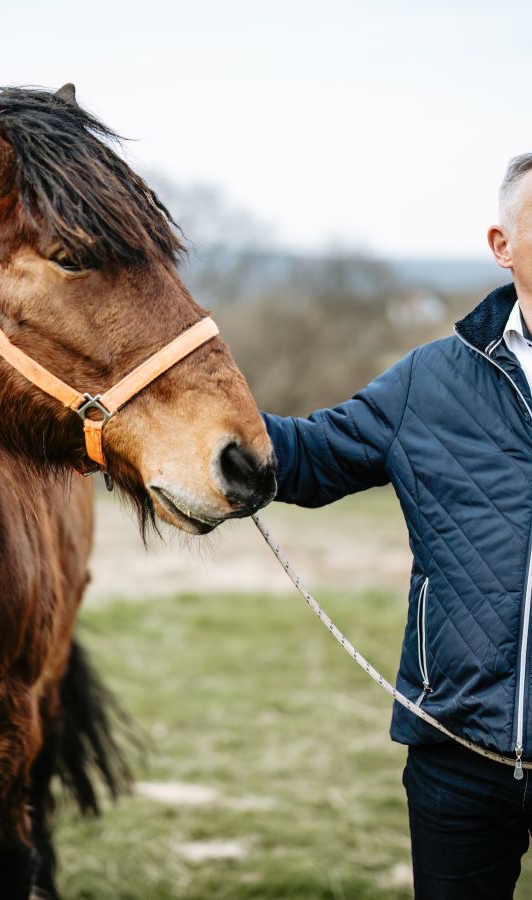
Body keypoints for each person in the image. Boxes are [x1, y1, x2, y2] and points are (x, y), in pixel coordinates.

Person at [261, 154, 532, 900]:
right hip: (457, 752)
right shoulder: (429, 380)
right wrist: (186, 422)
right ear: (501, 245)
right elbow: (313, 457)